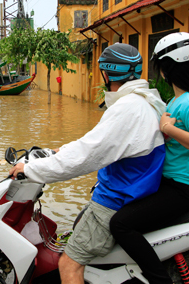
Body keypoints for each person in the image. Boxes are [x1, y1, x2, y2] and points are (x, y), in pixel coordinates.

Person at [9, 44, 166, 284]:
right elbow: (94, 143)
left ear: (107, 74)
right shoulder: (146, 102)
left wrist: (30, 169)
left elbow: (85, 156)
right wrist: (61, 150)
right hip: (136, 192)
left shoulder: (127, 108)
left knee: (68, 264)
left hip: (115, 200)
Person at [110, 32, 189, 284]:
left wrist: (169, 130)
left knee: (120, 225)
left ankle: (159, 280)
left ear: (167, 70)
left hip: (184, 188)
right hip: (172, 183)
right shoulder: (177, 100)